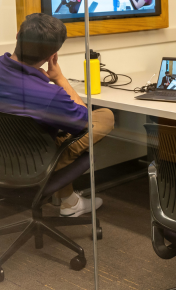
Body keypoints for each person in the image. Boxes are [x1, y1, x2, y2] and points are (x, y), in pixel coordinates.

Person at [0, 13, 114, 217]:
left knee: (56, 133)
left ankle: (70, 201)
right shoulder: (50, 96)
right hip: (33, 165)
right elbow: (86, 122)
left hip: (4, 155)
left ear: (18, 36)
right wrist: (59, 78)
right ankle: (70, 201)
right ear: (53, 54)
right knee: (104, 116)